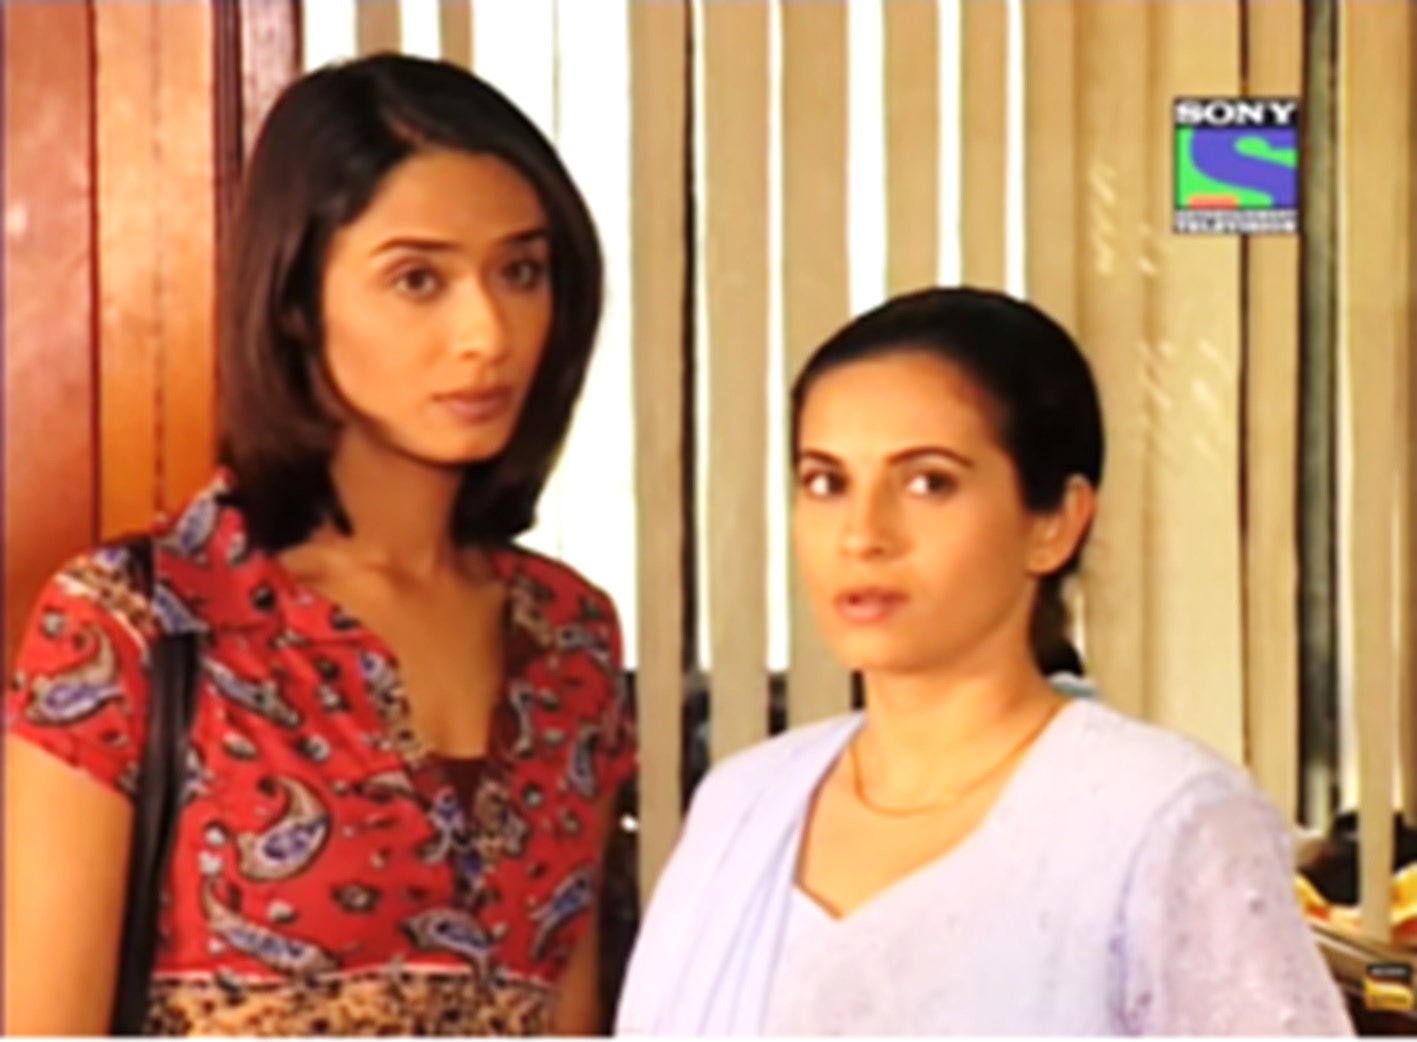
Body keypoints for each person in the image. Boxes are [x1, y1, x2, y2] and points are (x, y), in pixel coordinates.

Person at [4, 53, 634, 1036]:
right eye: (418, 279)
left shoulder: (570, 636)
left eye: (520, 271)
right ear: (296, 301)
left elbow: (568, 1009)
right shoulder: (132, 622)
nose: (488, 333)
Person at [615, 287, 1352, 1036]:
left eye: (927, 483)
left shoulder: (1165, 817)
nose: (861, 536)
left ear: (1055, 523)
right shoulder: (743, 806)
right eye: (827, 483)